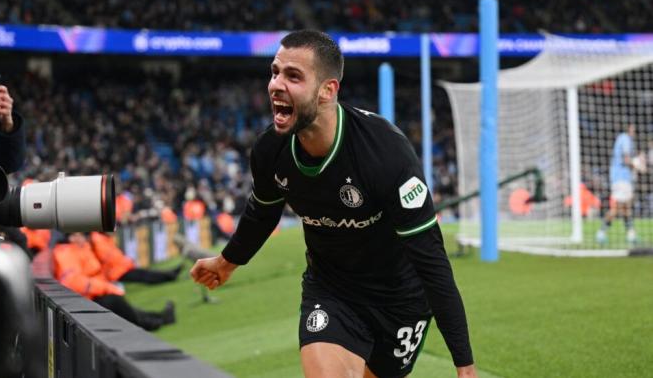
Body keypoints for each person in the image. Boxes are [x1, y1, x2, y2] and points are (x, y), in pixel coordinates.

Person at [191, 30, 476, 378]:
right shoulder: (270, 150)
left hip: (401, 301)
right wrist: (227, 261)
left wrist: (464, 365)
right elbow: (263, 211)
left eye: (293, 76)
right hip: (331, 292)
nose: (276, 85)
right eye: (274, 72)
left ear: (328, 90)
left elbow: (431, 262)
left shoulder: (385, 153)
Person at [53, 233, 176, 331]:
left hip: (104, 286)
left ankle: (160, 317)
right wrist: (107, 287)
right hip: (95, 293)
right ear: (71, 237)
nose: (82, 238)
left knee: (127, 302)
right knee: (118, 302)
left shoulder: (84, 246)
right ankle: (156, 321)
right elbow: (76, 281)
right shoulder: (68, 251)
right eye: (78, 235)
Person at [597, 122, 640, 244]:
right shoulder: (625, 138)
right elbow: (626, 159)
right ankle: (601, 232)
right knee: (617, 209)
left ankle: (631, 235)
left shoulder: (621, 139)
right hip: (621, 178)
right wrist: (637, 164)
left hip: (621, 178)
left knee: (626, 208)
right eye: (632, 128)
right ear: (628, 128)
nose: (634, 131)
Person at [89, 231, 184, 284]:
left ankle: (171, 274)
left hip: (121, 269)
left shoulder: (103, 239)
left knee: (145, 274)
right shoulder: (97, 239)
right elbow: (109, 258)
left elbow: (114, 256)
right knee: (145, 275)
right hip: (117, 272)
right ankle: (171, 275)